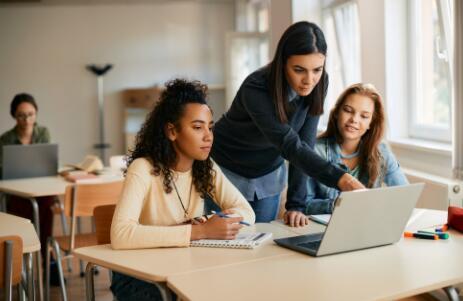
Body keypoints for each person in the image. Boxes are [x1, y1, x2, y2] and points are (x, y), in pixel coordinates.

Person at [110, 79, 255, 301]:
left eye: (210, 127)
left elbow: (246, 212)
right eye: (197, 127)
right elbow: (120, 235)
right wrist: (201, 231)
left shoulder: (205, 166)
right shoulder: (143, 168)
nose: (208, 136)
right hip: (139, 273)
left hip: (185, 265)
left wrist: (206, 221)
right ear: (172, 131)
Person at [210, 21, 364, 227]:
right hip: (225, 170)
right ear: (283, 63)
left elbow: (305, 143)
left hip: (267, 174)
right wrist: (342, 179)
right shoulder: (255, 87)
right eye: (299, 70)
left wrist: (296, 205)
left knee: (261, 246)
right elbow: (289, 144)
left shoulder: (320, 83)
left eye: (317, 69)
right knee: (221, 247)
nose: (309, 80)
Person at [305, 83, 408, 214]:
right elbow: (303, 205)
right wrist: (338, 204)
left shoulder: (381, 151)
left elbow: (404, 195)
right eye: (348, 110)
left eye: (364, 116)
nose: (354, 119)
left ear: (371, 123)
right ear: (336, 113)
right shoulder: (313, 151)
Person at [0, 93, 55, 259]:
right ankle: (22, 255)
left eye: (30, 114)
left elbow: (48, 162)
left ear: (36, 113)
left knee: (47, 205)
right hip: (16, 191)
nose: (26, 119)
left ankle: (46, 255)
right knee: (20, 208)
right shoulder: (5, 139)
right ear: (14, 116)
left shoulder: (43, 133)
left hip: (40, 188)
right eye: (21, 115)